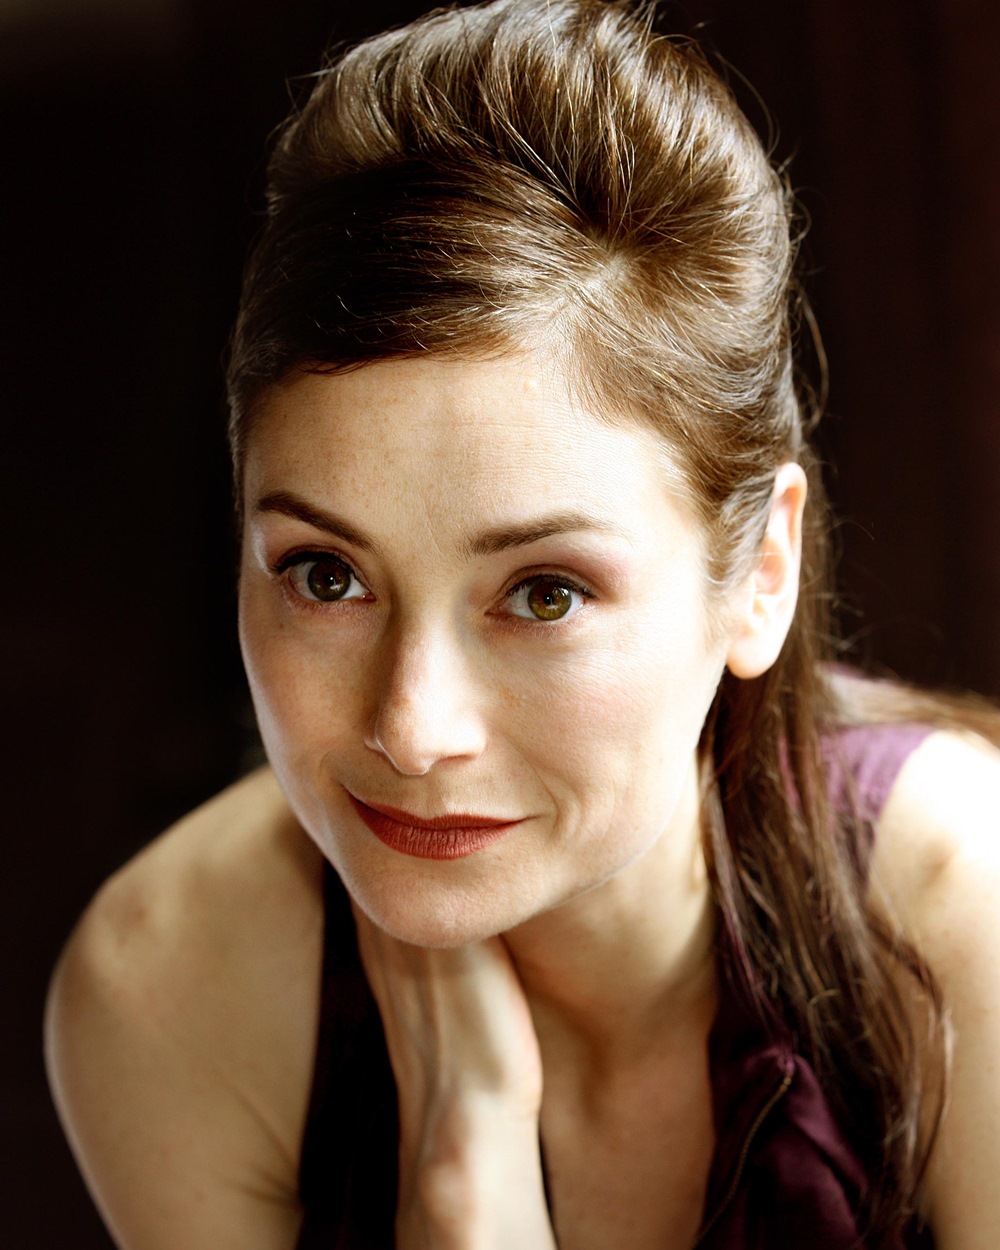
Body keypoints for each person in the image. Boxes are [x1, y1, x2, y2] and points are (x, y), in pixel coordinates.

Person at [44, 1, 1000, 1247]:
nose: (411, 728)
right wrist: (461, 1149)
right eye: (325, 574)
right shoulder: (170, 988)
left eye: (544, 592)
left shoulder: (959, 912)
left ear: (761, 571)